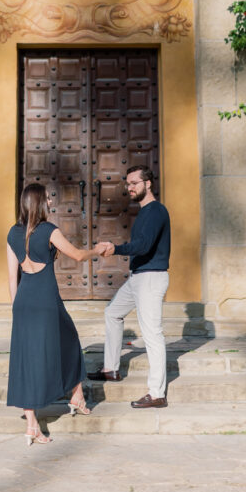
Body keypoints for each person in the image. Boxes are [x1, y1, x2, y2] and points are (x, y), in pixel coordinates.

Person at [6, 182, 107, 445]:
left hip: (23, 301)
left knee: (26, 358)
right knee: (70, 341)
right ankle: (76, 395)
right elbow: (76, 256)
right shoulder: (49, 230)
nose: (51, 203)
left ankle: (33, 424)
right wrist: (97, 249)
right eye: (48, 199)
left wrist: (16, 308)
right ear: (39, 203)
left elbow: (11, 277)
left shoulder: (12, 233)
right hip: (46, 298)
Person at [89, 166, 171, 408]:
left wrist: (116, 249)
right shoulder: (144, 212)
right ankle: (111, 369)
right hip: (137, 278)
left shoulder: (156, 211)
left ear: (148, 184)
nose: (130, 187)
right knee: (112, 313)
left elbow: (144, 246)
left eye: (135, 182)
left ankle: (157, 394)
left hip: (151, 278)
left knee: (152, 334)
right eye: (128, 184)